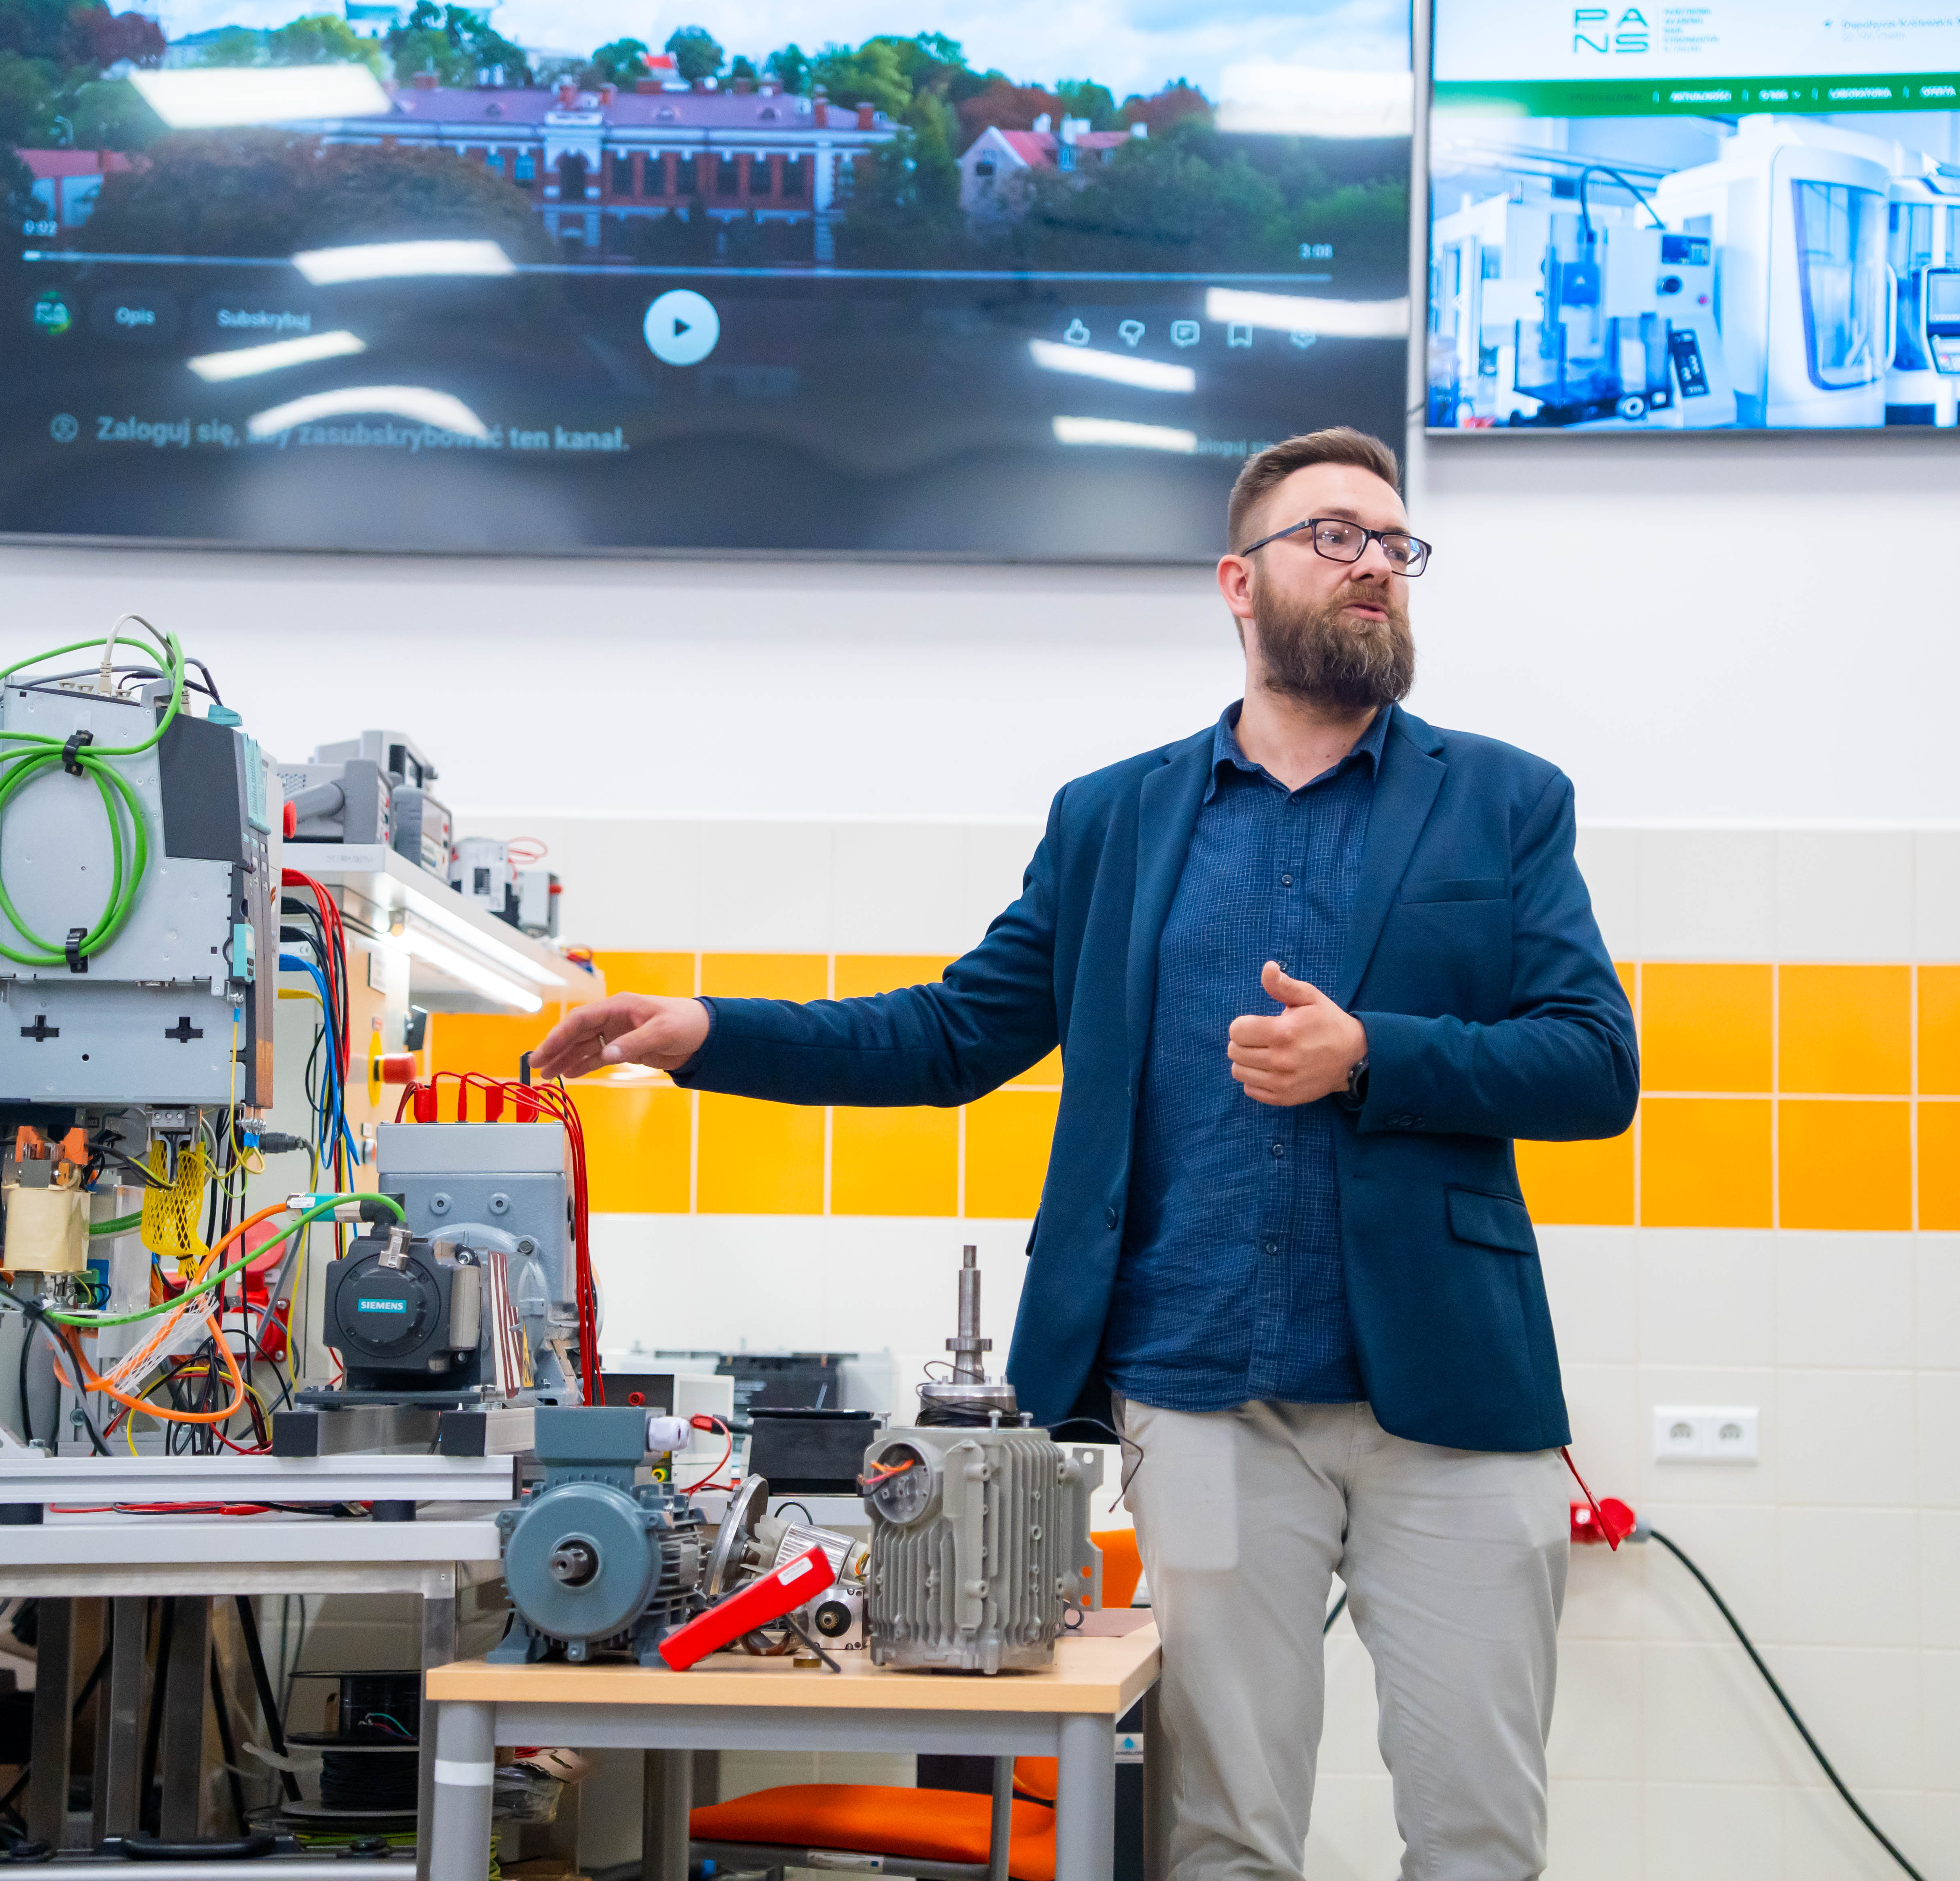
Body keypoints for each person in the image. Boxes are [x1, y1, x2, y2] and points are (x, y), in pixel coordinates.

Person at [530, 427, 1639, 1881]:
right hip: (1201, 1399)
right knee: (1225, 1834)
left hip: (1451, 1401)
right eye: (1334, 536)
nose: (1375, 563)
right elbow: (950, 1034)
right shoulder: (1113, 820)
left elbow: (1595, 1064)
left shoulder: (1502, 800)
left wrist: (1372, 1055)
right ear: (1239, 582)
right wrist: (706, 1034)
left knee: (1479, 1833)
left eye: (1394, 543)